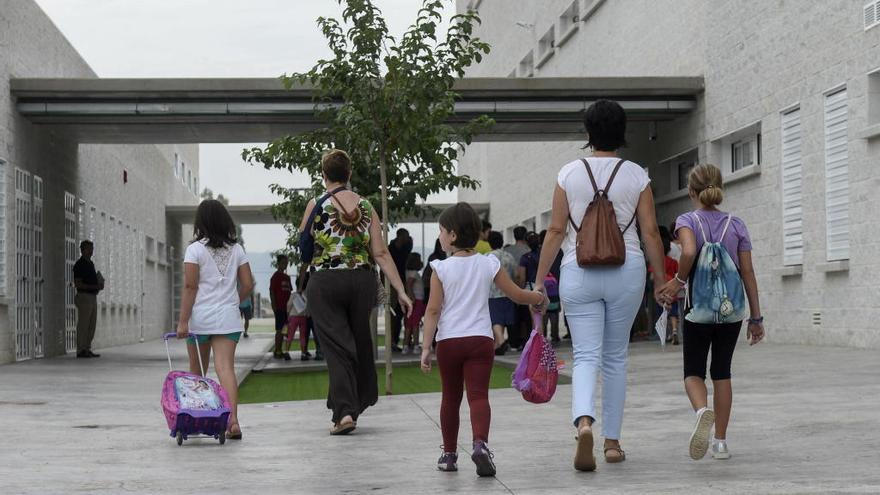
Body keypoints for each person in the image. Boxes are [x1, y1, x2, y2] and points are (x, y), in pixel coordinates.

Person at [533, 99, 667, 471]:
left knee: (586, 355)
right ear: (621, 132)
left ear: (588, 133)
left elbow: (557, 231)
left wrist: (539, 280)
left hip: (579, 271)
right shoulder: (636, 175)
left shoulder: (568, 173)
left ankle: (584, 423)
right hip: (628, 271)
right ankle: (612, 443)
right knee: (615, 358)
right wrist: (660, 280)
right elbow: (651, 232)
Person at [420, 203, 545, 477]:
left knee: (450, 399)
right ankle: (480, 445)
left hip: (450, 342)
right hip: (480, 340)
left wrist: (427, 347)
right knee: (478, 396)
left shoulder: (440, 268)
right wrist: (537, 297)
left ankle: (449, 454)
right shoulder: (488, 263)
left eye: (441, 231)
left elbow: (432, 310)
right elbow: (514, 294)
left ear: (452, 235)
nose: (439, 237)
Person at [300, 149, 412, 435]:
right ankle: (356, 401)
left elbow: (303, 247)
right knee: (360, 340)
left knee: (337, 347)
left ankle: (345, 412)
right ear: (348, 174)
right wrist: (400, 290)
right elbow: (382, 253)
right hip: (362, 281)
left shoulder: (315, 204)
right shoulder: (366, 206)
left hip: (325, 282)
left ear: (324, 175)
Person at [659, 164, 764, 461]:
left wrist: (679, 281)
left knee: (693, 370)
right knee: (722, 372)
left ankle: (702, 411)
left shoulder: (687, 220)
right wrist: (756, 318)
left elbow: (689, 251)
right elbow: (748, 272)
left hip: (698, 310)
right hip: (731, 311)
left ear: (691, 191)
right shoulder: (738, 224)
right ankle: (720, 442)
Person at [176, 199, 255, 441]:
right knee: (225, 369)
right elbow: (248, 284)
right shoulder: (237, 249)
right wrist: (233, 300)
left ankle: (198, 419)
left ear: (201, 222)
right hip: (228, 318)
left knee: (197, 372)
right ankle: (233, 422)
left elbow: (190, 286)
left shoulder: (194, 250)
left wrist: (182, 321)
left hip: (201, 318)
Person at [486, 231, 517, 355]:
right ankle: (498, 344)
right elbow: (517, 275)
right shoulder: (509, 256)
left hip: (492, 293)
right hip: (508, 293)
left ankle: (500, 340)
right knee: (506, 319)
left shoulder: (487, 257)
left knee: (495, 320)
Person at [73, 240, 104, 358]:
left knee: (92, 324)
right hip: (84, 296)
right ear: (82, 250)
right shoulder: (79, 265)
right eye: (89, 249)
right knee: (84, 324)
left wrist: (99, 283)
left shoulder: (90, 264)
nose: (91, 251)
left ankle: (87, 347)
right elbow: (78, 283)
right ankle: (81, 350)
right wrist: (94, 286)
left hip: (92, 296)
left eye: (92, 248)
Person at [504, 226, 531, 349]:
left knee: (514, 316)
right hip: (526, 286)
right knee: (526, 316)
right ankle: (526, 339)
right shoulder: (528, 249)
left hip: (509, 286)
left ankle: (514, 340)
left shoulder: (508, 251)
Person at [388, 228, 413, 353]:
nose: (407, 239)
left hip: (402, 282)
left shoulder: (405, 248)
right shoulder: (390, 249)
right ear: (399, 236)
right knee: (393, 313)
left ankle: (396, 340)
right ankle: (392, 340)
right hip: (392, 283)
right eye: (405, 236)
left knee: (400, 313)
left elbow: (410, 242)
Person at [270, 254, 293, 359]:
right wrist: (274, 306)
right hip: (279, 308)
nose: (285, 264)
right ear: (278, 263)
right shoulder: (275, 277)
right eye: (283, 262)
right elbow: (272, 292)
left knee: (285, 329)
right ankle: (277, 350)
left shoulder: (287, 277)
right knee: (279, 330)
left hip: (287, 309)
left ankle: (280, 349)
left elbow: (289, 292)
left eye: (286, 263)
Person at [404, 253, 426, 354]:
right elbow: (409, 284)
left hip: (411, 300)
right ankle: (416, 346)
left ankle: (406, 345)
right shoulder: (414, 274)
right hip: (416, 300)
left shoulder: (408, 272)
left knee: (409, 324)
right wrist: (411, 296)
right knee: (415, 324)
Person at [285, 283, 311, 361]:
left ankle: (286, 352)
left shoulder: (293, 295)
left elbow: (289, 305)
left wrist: (287, 314)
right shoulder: (305, 296)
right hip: (303, 318)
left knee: (290, 335)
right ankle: (303, 354)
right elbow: (308, 307)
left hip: (293, 317)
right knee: (302, 336)